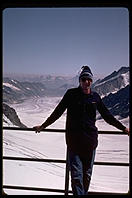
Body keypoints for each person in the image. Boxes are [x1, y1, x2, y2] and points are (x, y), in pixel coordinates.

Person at [33, 66, 129, 195]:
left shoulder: (95, 97)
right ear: (80, 80)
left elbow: (107, 116)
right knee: (77, 177)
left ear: (92, 81)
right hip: (74, 143)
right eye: (84, 79)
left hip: (90, 143)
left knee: (87, 176)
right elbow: (57, 112)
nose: (86, 82)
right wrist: (43, 126)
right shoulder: (71, 94)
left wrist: (123, 128)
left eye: (89, 79)